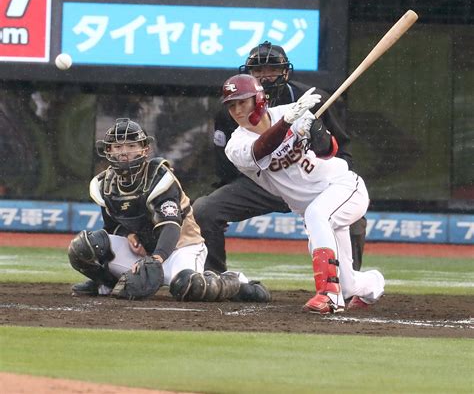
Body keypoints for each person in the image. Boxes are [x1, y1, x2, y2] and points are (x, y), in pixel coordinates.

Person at [193, 41, 366, 275]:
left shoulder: (312, 99)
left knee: (352, 219)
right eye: (258, 71)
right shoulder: (231, 109)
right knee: (206, 210)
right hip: (262, 183)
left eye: (272, 69)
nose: (265, 76)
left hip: (310, 179)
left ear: (286, 71)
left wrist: (337, 173)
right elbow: (225, 165)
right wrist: (227, 192)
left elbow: (340, 148)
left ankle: (349, 282)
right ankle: (214, 277)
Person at [221, 74, 384, 313]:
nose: (236, 110)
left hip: (343, 187)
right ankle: (373, 284)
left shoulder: (294, 113)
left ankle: (328, 295)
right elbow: (261, 149)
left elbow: (329, 151)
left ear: (258, 99)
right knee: (348, 286)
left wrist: (316, 131)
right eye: (231, 105)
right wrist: (288, 123)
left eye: (242, 102)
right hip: (316, 207)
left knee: (317, 215)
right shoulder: (236, 145)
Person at [68, 118, 270, 303]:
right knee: (84, 246)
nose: (124, 152)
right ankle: (108, 282)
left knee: (191, 287)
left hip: (180, 247)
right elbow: (111, 227)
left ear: (145, 150)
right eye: (118, 146)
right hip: (142, 253)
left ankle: (233, 282)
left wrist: (156, 258)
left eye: (131, 146)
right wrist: (128, 235)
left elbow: (171, 226)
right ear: (108, 151)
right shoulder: (105, 183)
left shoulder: (159, 176)